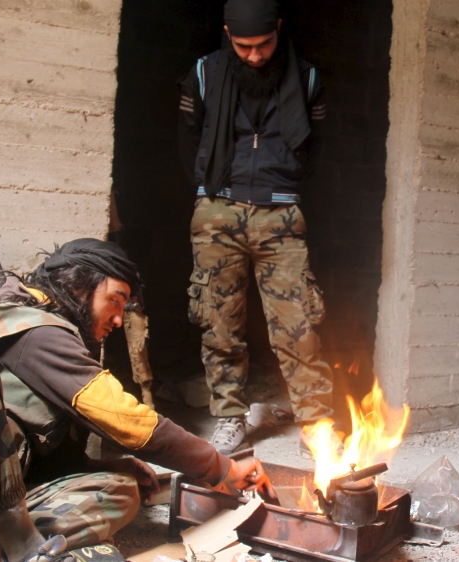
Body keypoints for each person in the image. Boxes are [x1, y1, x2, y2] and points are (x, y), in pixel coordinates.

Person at [0, 239, 268, 562]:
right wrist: (222, 468)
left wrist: (99, 467)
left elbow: (16, 449)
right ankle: (21, 547)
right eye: (115, 301)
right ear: (80, 287)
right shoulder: (35, 331)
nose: (118, 319)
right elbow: (128, 421)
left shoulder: (57, 340)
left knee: (119, 487)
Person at [177, 0, 333, 454]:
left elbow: (316, 150)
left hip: (280, 214)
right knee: (219, 323)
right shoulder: (204, 74)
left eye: (264, 44)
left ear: (279, 29)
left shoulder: (307, 79)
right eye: (244, 46)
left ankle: (316, 424)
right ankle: (229, 416)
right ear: (227, 34)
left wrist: (284, 184)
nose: (255, 55)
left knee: (298, 324)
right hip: (217, 211)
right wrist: (209, 192)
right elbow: (188, 139)